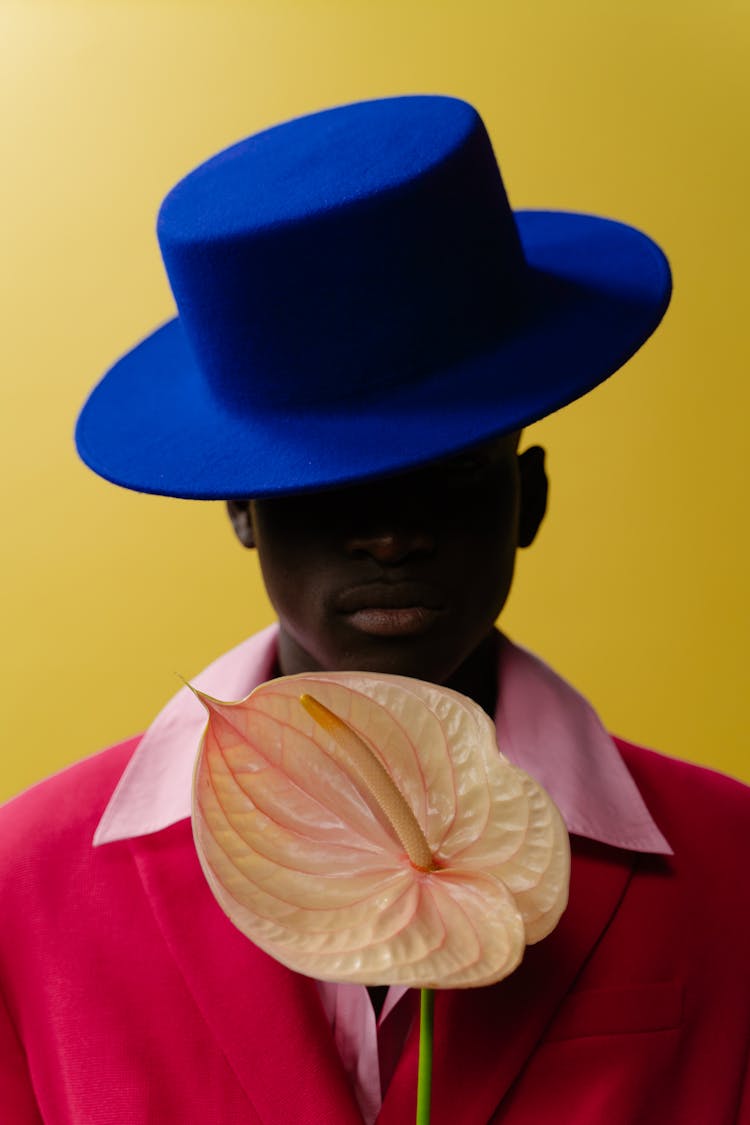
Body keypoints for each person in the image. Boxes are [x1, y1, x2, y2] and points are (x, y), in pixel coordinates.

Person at [1, 95, 748, 1125]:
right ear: (243, 515)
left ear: (525, 500)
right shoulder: (25, 885)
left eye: (447, 475)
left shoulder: (730, 866)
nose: (392, 537)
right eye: (330, 489)